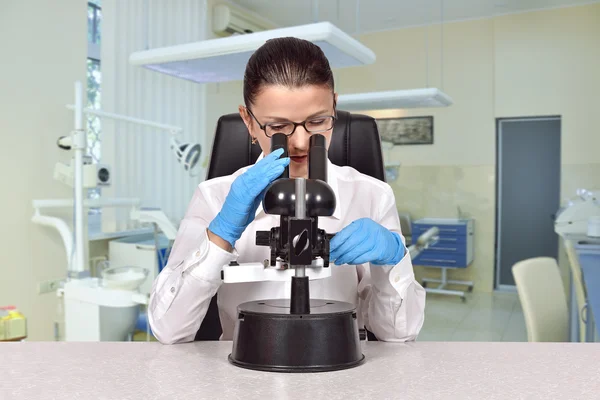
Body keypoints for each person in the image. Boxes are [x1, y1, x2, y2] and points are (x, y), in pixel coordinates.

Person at [148, 37, 426, 344]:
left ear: (334, 106)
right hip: (242, 375)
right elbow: (168, 330)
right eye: (278, 127)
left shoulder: (372, 195)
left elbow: (400, 334)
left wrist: (392, 260)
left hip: (340, 370)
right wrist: (220, 235)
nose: (300, 142)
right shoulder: (215, 196)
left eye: (317, 121)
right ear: (248, 122)